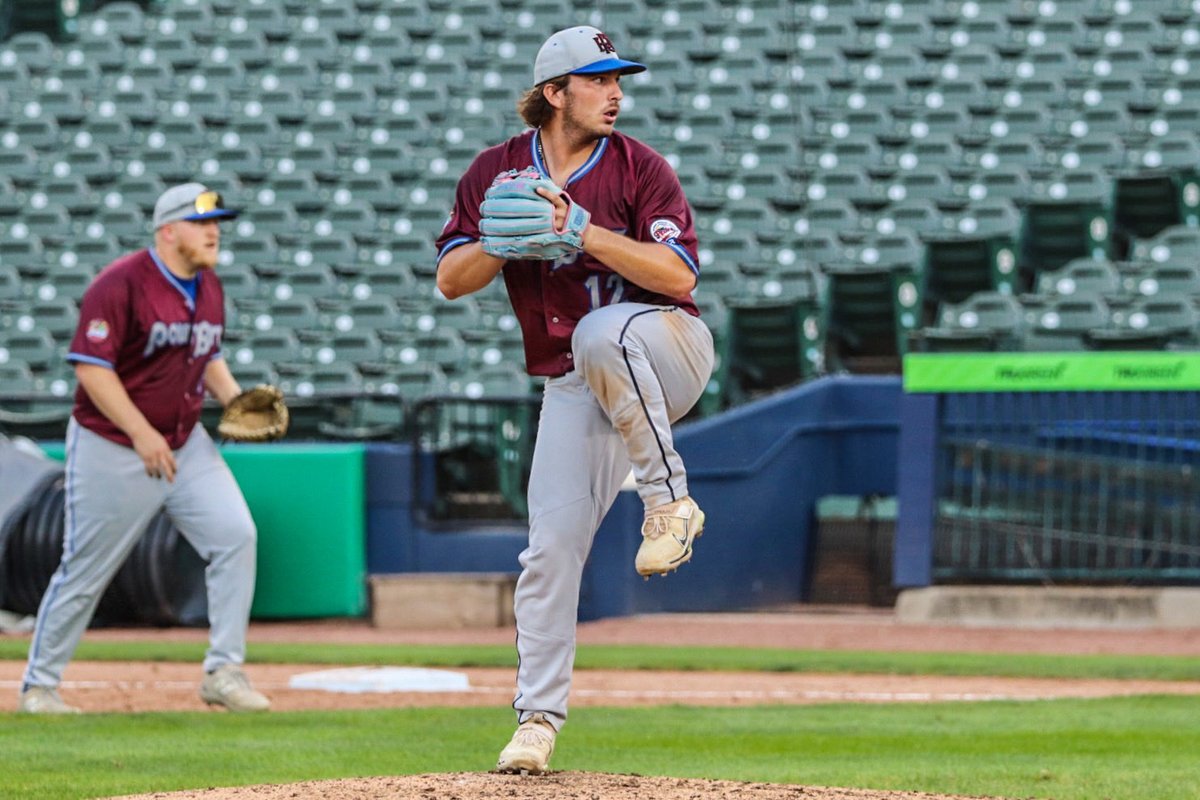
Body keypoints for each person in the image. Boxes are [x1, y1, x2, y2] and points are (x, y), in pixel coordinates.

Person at [436, 26, 715, 773]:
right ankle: (536, 721)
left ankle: (668, 502)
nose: (616, 92)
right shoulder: (496, 173)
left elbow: (681, 279)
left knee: (601, 330)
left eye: (619, 78)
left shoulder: (639, 168)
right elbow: (451, 280)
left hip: (666, 350)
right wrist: (500, 242)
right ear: (554, 93)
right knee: (550, 549)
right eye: (598, 80)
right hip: (574, 383)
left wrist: (583, 230)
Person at [18, 183, 270, 714]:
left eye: (217, 222)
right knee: (85, 569)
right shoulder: (122, 282)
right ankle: (39, 686)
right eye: (202, 223)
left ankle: (224, 671)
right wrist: (139, 432)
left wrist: (234, 400)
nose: (213, 231)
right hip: (113, 446)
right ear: (168, 230)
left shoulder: (208, 285)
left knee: (235, 537)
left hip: (185, 442)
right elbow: (91, 369)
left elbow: (208, 354)